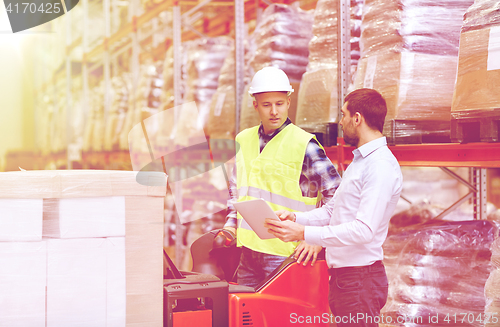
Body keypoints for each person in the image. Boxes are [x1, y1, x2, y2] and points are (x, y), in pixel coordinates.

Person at [265, 88, 403, 326]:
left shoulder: (379, 166)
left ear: (357, 118)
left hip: (359, 280)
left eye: (343, 115)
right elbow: (333, 211)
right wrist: (295, 218)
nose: (340, 122)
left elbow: (364, 230)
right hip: (347, 280)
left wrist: (305, 234)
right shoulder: (361, 162)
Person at [222, 66, 341, 288]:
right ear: (255, 105)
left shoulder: (304, 144)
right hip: (249, 251)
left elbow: (339, 198)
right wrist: (230, 226)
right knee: (249, 318)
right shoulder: (243, 140)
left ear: (288, 102)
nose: (274, 111)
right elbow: (236, 191)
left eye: (279, 104)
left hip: (287, 254)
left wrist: (315, 238)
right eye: (267, 105)